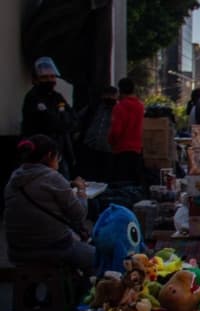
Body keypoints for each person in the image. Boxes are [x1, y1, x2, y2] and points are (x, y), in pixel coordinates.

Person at [4, 135, 93, 274]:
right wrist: (81, 190)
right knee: (97, 257)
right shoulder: (53, 177)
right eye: (58, 158)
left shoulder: (14, 178)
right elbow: (79, 214)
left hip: (17, 251)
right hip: (53, 249)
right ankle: (79, 294)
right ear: (50, 155)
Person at [21, 57, 76, 178]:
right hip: (39, 154)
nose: (50, 80)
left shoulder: (57, 96)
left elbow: (72, 118)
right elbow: (48, 122)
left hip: (58, 151)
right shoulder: (33, 98)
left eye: (52, 77)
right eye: (45, 77)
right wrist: (61, 123)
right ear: (36, 80)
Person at [108, 77, 145, 185]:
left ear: (120, 90)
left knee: (120, 183)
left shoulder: (119, 107)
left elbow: (116, 131)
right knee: (134, 183)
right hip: (136, 149)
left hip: (121, 150)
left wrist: (111, 142)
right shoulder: (140, 106)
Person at [80, 86, 118, 182]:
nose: (109, 98)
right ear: (102, 95)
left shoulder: (118, 109)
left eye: (112, 95)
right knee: (90, 176)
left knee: (106, 177)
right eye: (107, 95)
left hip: (109, 149)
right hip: (91, 146)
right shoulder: (94, 107)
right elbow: (78, 118)